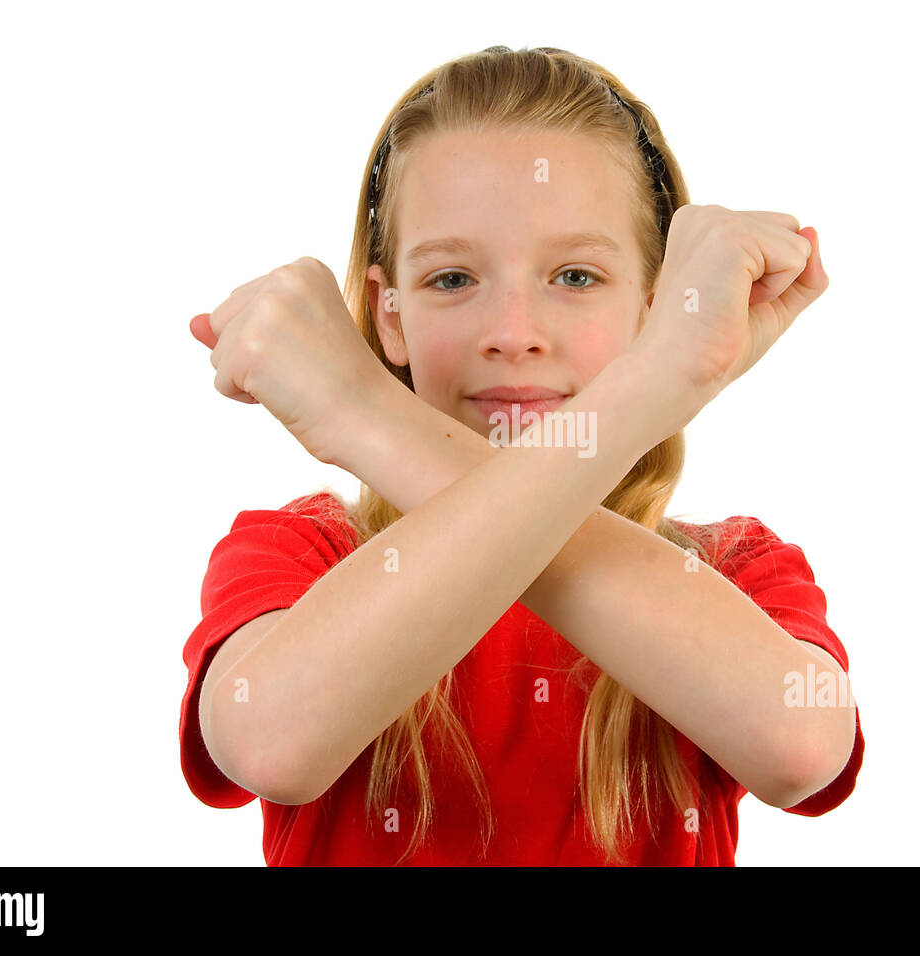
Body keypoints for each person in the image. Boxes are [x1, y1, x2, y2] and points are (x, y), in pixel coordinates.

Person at [180, 45, 864, 866]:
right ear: (386, 317)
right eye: (451, 280)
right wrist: (646, 391)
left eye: (575, 276)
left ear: (657, 317)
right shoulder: (301, 554)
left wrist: (365, 413)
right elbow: (269, 745)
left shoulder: (735, 570)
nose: (513, 335)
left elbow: (801, 747)